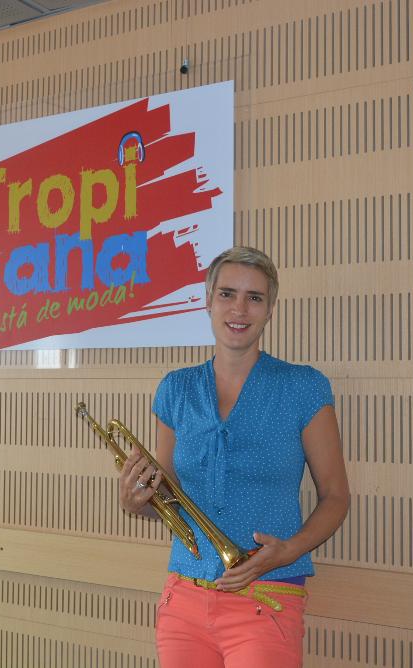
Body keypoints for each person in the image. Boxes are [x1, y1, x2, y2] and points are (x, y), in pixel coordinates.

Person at [119, 246, 350, 667]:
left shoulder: (303, 387)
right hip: (183, 599)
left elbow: (336, 497)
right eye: (227, 294)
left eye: (254, 297)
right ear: (208, 301)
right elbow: (169, 498)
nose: (239, 309)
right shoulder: (177, 389)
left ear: (270, 310)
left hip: (267, 595)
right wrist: (137, 502)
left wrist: (288, 550)